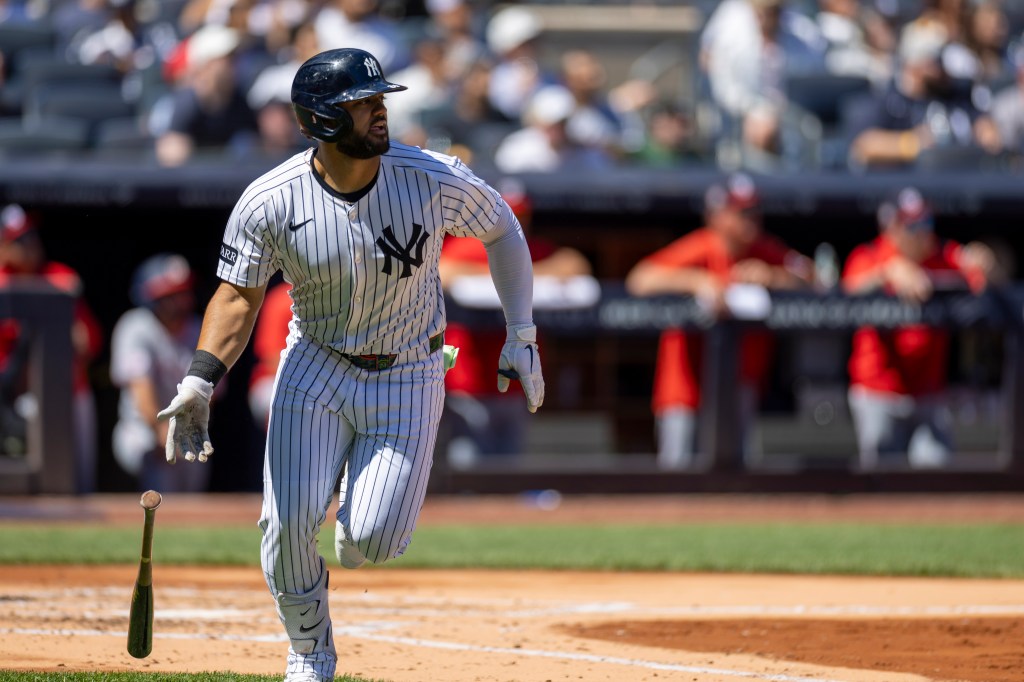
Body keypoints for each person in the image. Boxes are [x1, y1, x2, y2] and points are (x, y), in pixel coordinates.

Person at [155, 47, 543, 682]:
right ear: (321, 120)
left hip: (410, 372)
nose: (379, 111)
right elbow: (236, 295)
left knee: (373, 540)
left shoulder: (432, 176)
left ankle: (355, 531)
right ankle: (311, 652)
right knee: (284, 532)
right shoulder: (270, 199)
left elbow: (502, 228)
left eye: (378, 99)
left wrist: (521, 332)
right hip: (316, 365)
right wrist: (199, 379)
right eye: (361, 103)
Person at [624, 173, 813, 470]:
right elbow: (639, 279)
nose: (751, 219)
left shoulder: (764, 250)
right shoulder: (700, 247)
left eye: (754, 211)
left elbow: (813, 277)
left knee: (737, 476)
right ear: (717, 215)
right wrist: (696, 280)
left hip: (738, 384)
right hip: (686, 386)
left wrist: (775, 277)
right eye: (742, 212)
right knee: (679, 475)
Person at [842, 187, 998, 470]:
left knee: (936, 474)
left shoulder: (944, 254)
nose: (922, 232)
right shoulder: (871, 255)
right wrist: (887, 272)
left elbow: (989, 279)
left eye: (926, 223)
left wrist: (986, 261)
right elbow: (845, 293)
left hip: (929, 394)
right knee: (882, 480)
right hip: (879, 391)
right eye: (911, 224)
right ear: (891, 227)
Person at [439, 181, 591, 468]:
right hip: (469, 380)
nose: (514, 220)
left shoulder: (531, 248)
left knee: (510, 470)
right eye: (507, 212)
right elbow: (443, 271)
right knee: (469, 469)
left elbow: (575, 264)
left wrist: (520, 274)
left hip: (517, 378)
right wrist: (504, 276)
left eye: (519, 214)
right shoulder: (470, 244)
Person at [0, 204, 103, 492]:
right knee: (27, 485)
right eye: (19, 240)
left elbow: (89, 343)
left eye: (32, 236)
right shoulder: (2, 281)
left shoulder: (58, 276)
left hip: (71, 392)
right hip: (17, 398)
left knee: (80, 478)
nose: (30, 245)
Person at [110, 253, 207, 492]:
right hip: (141, 430)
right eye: (172, 296)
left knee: (195, 467)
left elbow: (208, 394)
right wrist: (163, 432)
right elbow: (141, 391)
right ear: (152, 298)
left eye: (184, 292)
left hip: (188, 427)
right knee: (161, 469)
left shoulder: (199, 329)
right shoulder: (136, 326)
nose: (182, 301)